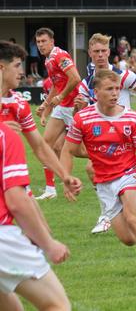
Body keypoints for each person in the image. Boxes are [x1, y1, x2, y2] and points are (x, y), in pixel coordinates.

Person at [61, 69, 136, 282]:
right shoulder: (82, 118)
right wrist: (66, 178)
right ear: (96, 92)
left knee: (133, 218)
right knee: (128, 238)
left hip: (128, 174)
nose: (115, 93)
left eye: (117, 89)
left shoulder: (131, 118)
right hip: (104, 182)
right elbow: (69, 150)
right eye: (109, 89)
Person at [75, 33, 136, 234]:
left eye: (104, 51)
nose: (100, 55)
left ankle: (106, 214)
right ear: (90, 54)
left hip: (127, 132)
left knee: (95, 169)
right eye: (96, 51)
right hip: (103, 135)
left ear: (109, 52)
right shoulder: (88, 79)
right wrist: (78, 107)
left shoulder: (121, 74)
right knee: (120, 174)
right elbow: (83, 111)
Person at [0, 120, 75, 311]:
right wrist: (49, 244)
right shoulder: (5, 135)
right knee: (56, 304)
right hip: (3, 240)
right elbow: (17, 200)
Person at [34, 27, 81, 201]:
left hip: (74, 106)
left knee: (81, 149)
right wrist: (45, 104)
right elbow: (56, 85)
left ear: (52, 41)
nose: (41, 45)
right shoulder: (48, 60)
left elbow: (75, 78)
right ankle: (50, 189)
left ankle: (110, 164)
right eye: (38, 42)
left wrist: (61, 96)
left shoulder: (60, 56)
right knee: (46, 144)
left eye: (44, 41)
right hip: (63, 107)